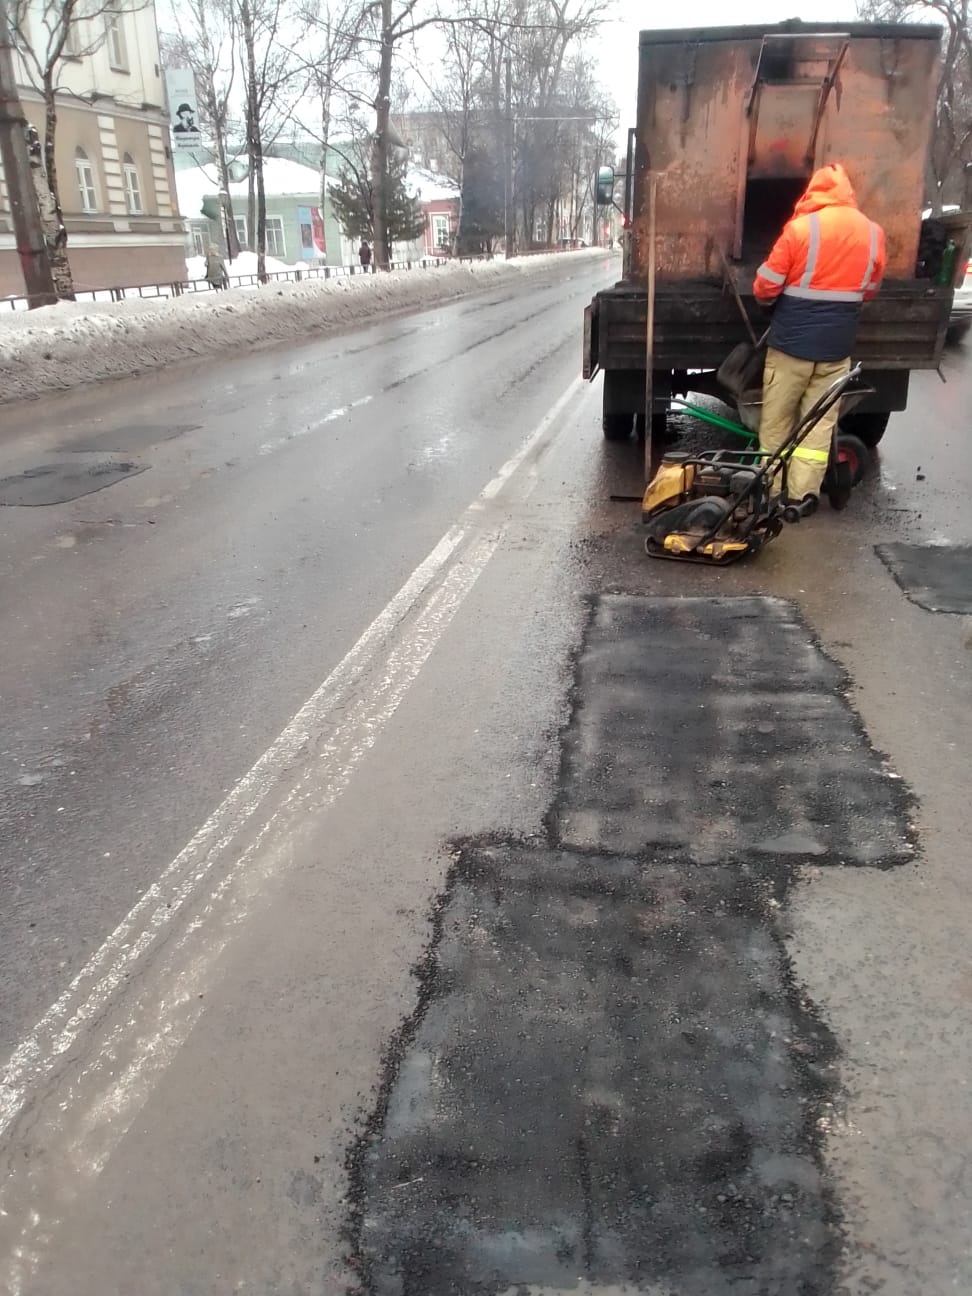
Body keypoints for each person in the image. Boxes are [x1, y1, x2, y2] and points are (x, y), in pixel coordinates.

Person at [753, 163, 885, 503]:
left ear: (814, 193)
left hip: (790, 347)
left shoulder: (799, 230)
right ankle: (801, 499)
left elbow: (765, 286)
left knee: (776, 424)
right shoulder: (872, 233)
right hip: (836, 351)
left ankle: (771, 492)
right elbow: (869, 289)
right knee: (817, 427)